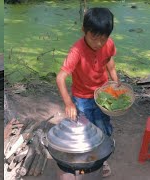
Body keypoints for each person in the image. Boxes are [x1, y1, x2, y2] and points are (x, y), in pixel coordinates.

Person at [56, 7, 118, 177]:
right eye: (94, 38)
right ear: (84, 30)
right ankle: (89, 159)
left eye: (103, 39)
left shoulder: (109, 44)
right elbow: (60, 77)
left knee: (103, 126)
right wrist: (68, 103)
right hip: (82, 98)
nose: (98, 44)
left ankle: (102, 159)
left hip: (103, 94)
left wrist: (116, 83)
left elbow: (110, 62)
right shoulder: (76, 51)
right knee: (86, 130)